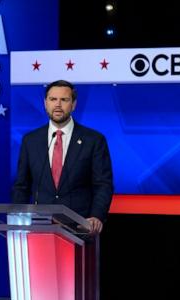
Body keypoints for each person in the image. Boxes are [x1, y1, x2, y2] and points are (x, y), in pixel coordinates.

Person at [12, 80, 113, 234]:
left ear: (73, 104)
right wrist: (18, 218)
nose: (58, 105)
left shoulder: (94, 140)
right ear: (45, 103)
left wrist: (96, 216)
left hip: (81, 227)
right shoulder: (30, 140)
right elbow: (22, 185)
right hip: (40, 227)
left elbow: (103, 184)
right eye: (53, 99)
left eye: (64, 100)